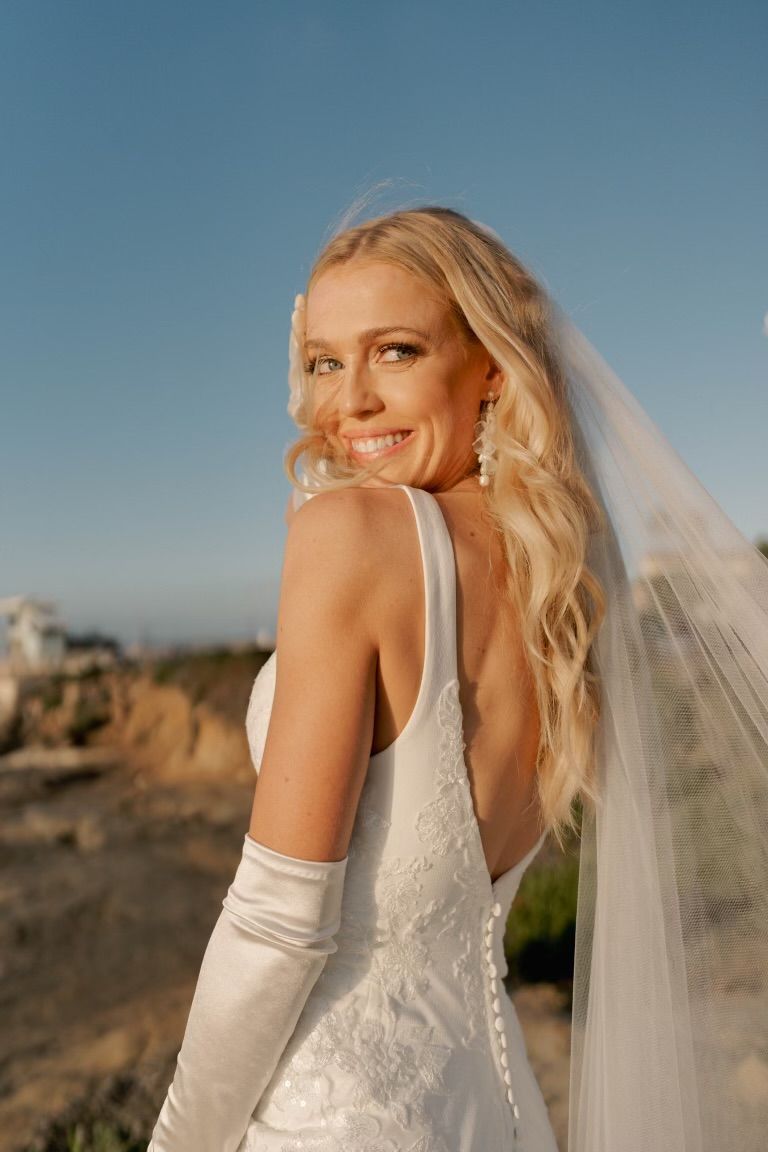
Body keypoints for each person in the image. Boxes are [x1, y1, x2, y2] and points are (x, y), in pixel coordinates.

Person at [148, 207, 768, 1152]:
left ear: (488, 366)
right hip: (494, 1110)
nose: (347, 400)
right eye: (323, 361)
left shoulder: (351, 540)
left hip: (330, 1120)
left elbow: (278, 922)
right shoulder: (564, 592)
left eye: (393, 351)